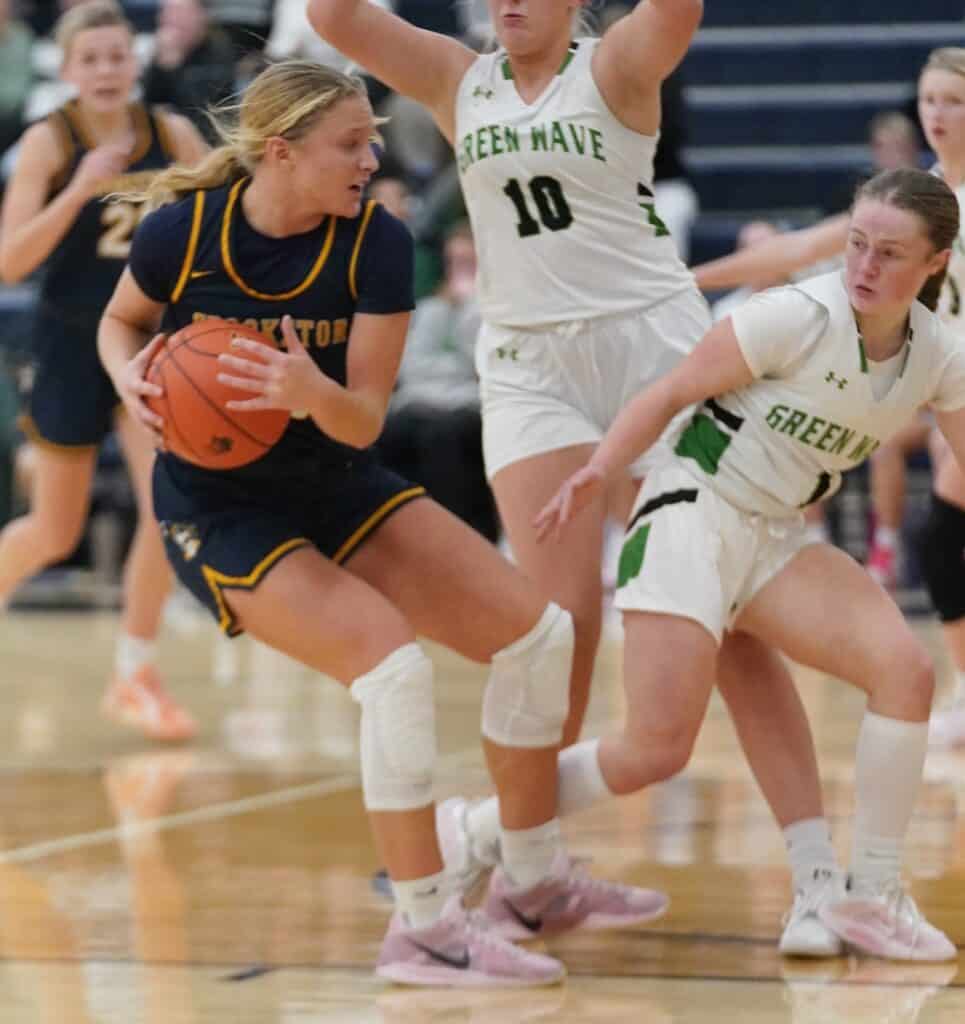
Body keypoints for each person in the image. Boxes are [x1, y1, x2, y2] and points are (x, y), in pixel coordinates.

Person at [98, 59, 666, 988]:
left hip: (335, 476)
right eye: (351, 145)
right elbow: (121, 323)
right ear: (281, 152)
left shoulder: (376, 242)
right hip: (219, 508)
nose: (372, 160)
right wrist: (128, 375)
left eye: (372, 141)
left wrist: (305, 391)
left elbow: (361, 418)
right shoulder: (183, 232)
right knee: (391, 670)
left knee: (538, 639)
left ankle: (529, 882)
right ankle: (424, 929)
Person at [308, 0, 846, 958]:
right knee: (553, 634)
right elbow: (333, 17)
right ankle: (530, 874)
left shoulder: (617, 66)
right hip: (531, 369)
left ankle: (817, 877)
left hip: (652, 352)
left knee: (729, 622)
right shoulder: (457, 79)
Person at [532, 167, 963, 961]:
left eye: (889, 253)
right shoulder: (792, 315)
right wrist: (598, 470)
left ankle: (862, 893)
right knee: (657, 749)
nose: (864, 266)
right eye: (856, 244)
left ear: (935, 262)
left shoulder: (940, 352)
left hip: (774, 535)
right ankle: (484, 829)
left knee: (904, 673)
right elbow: (668, 394)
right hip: (692, 512)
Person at [693, 48, 965, 740]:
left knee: (948, 521)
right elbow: (796, 250)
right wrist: (688, 280)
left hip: (951, 386)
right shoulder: (919, 198)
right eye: (928, 100)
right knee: (944, 532)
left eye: (953, 101)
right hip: (940, 387)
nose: (936, 114)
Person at [0, 0, 205, 740]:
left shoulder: (171, 135)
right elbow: (10, 261)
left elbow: (219, 221)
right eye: (90, 59)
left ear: (135, 60)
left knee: (166, 510)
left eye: (117, 55)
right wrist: (79, 189)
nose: (106, 70)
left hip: (148, 342)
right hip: (68, 341)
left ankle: (134, 672)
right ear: (66, 69)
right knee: (54, 531)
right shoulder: (48, 141)